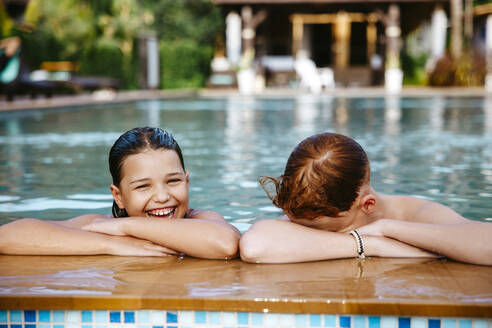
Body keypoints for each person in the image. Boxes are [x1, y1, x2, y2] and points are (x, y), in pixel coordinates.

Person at [240, 132, 492, 265]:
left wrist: (386, 228)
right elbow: (254, 246)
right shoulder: (310, 206)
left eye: (315, 225)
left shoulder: (414, 213)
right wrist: (369, 245)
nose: (297, 225)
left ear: (367, 204)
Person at [0, 127, 240, 259]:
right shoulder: (105, 228)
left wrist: (127, 227)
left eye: (173, 181)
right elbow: (7, 236)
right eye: (143, 186)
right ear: (118, 196)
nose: (162, 196)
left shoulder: (199, 220)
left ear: (187, 181)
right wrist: (111, 244)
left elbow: (226, 244)